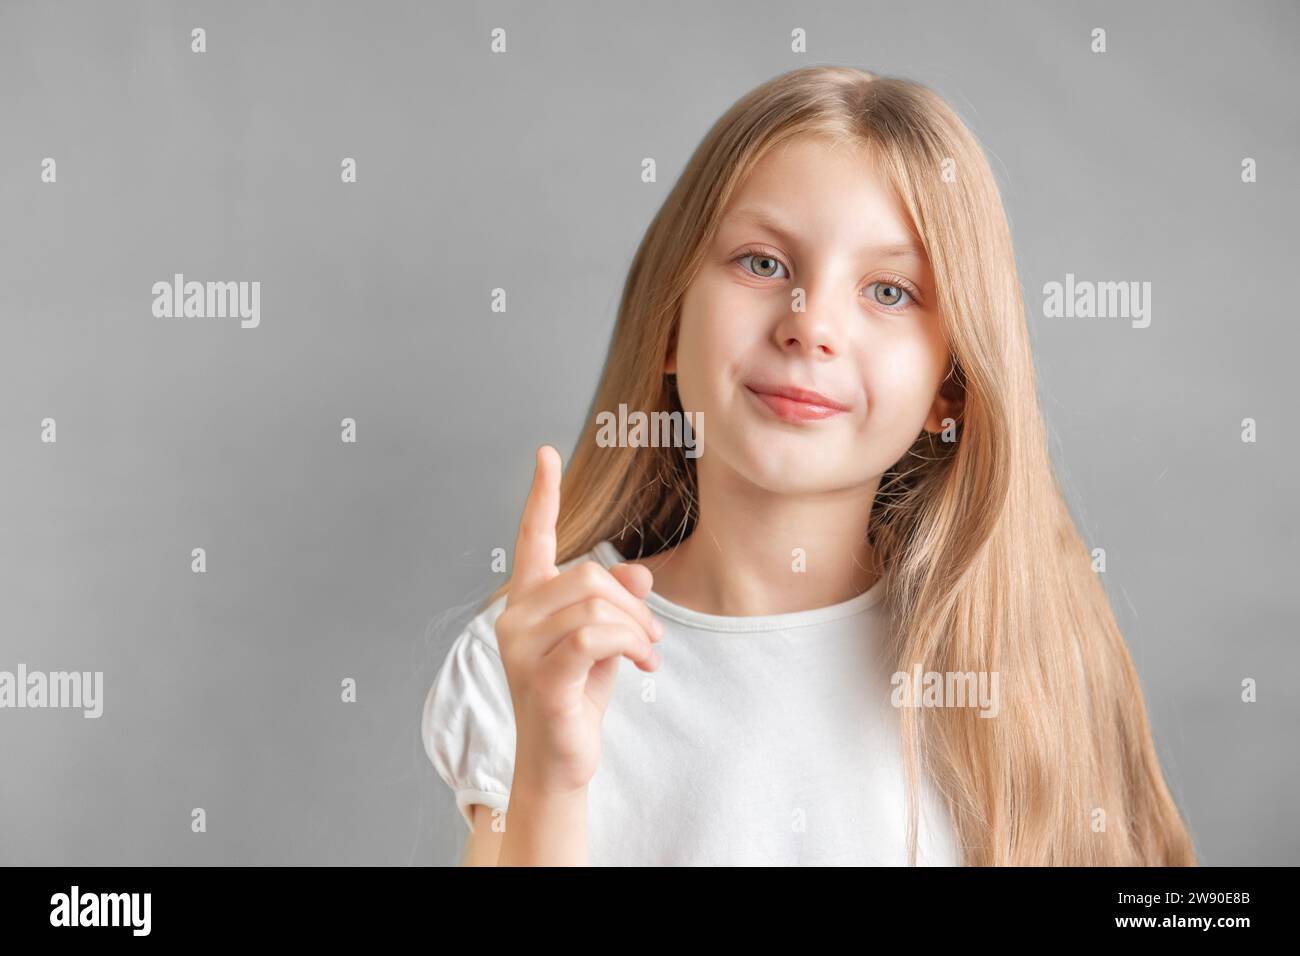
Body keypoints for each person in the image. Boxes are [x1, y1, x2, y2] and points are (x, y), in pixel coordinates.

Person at [422, 65, 1198, 866]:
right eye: (763, 264)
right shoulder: (536, 654)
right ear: (667, 324)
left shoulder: (1021, 658)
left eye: (890, 291)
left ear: (952, 389)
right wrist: (550, 774)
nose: (811, 325)